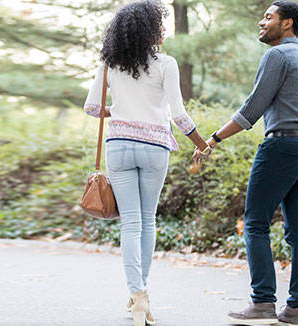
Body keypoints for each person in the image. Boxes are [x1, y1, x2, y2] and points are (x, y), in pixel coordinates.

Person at [194, 2, 298, 325]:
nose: (261, 22)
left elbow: (252, 108)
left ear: (288, 23)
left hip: (282, 146)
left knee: (254, 222)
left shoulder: (276, 56)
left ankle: (263, 301)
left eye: (269, 17)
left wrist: (213, 139)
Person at [83, 2, 208, 325]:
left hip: (120, 147)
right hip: (155, 147)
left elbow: (92, 108)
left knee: (131, 223)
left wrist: (120, 110)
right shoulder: (166, 64)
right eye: (159, 25)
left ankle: (137, 294)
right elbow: (178, 115)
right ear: (149, 31)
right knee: (148, 221)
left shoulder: (110, 64)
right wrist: (201, 144)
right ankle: (142, 293)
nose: (163, 30)